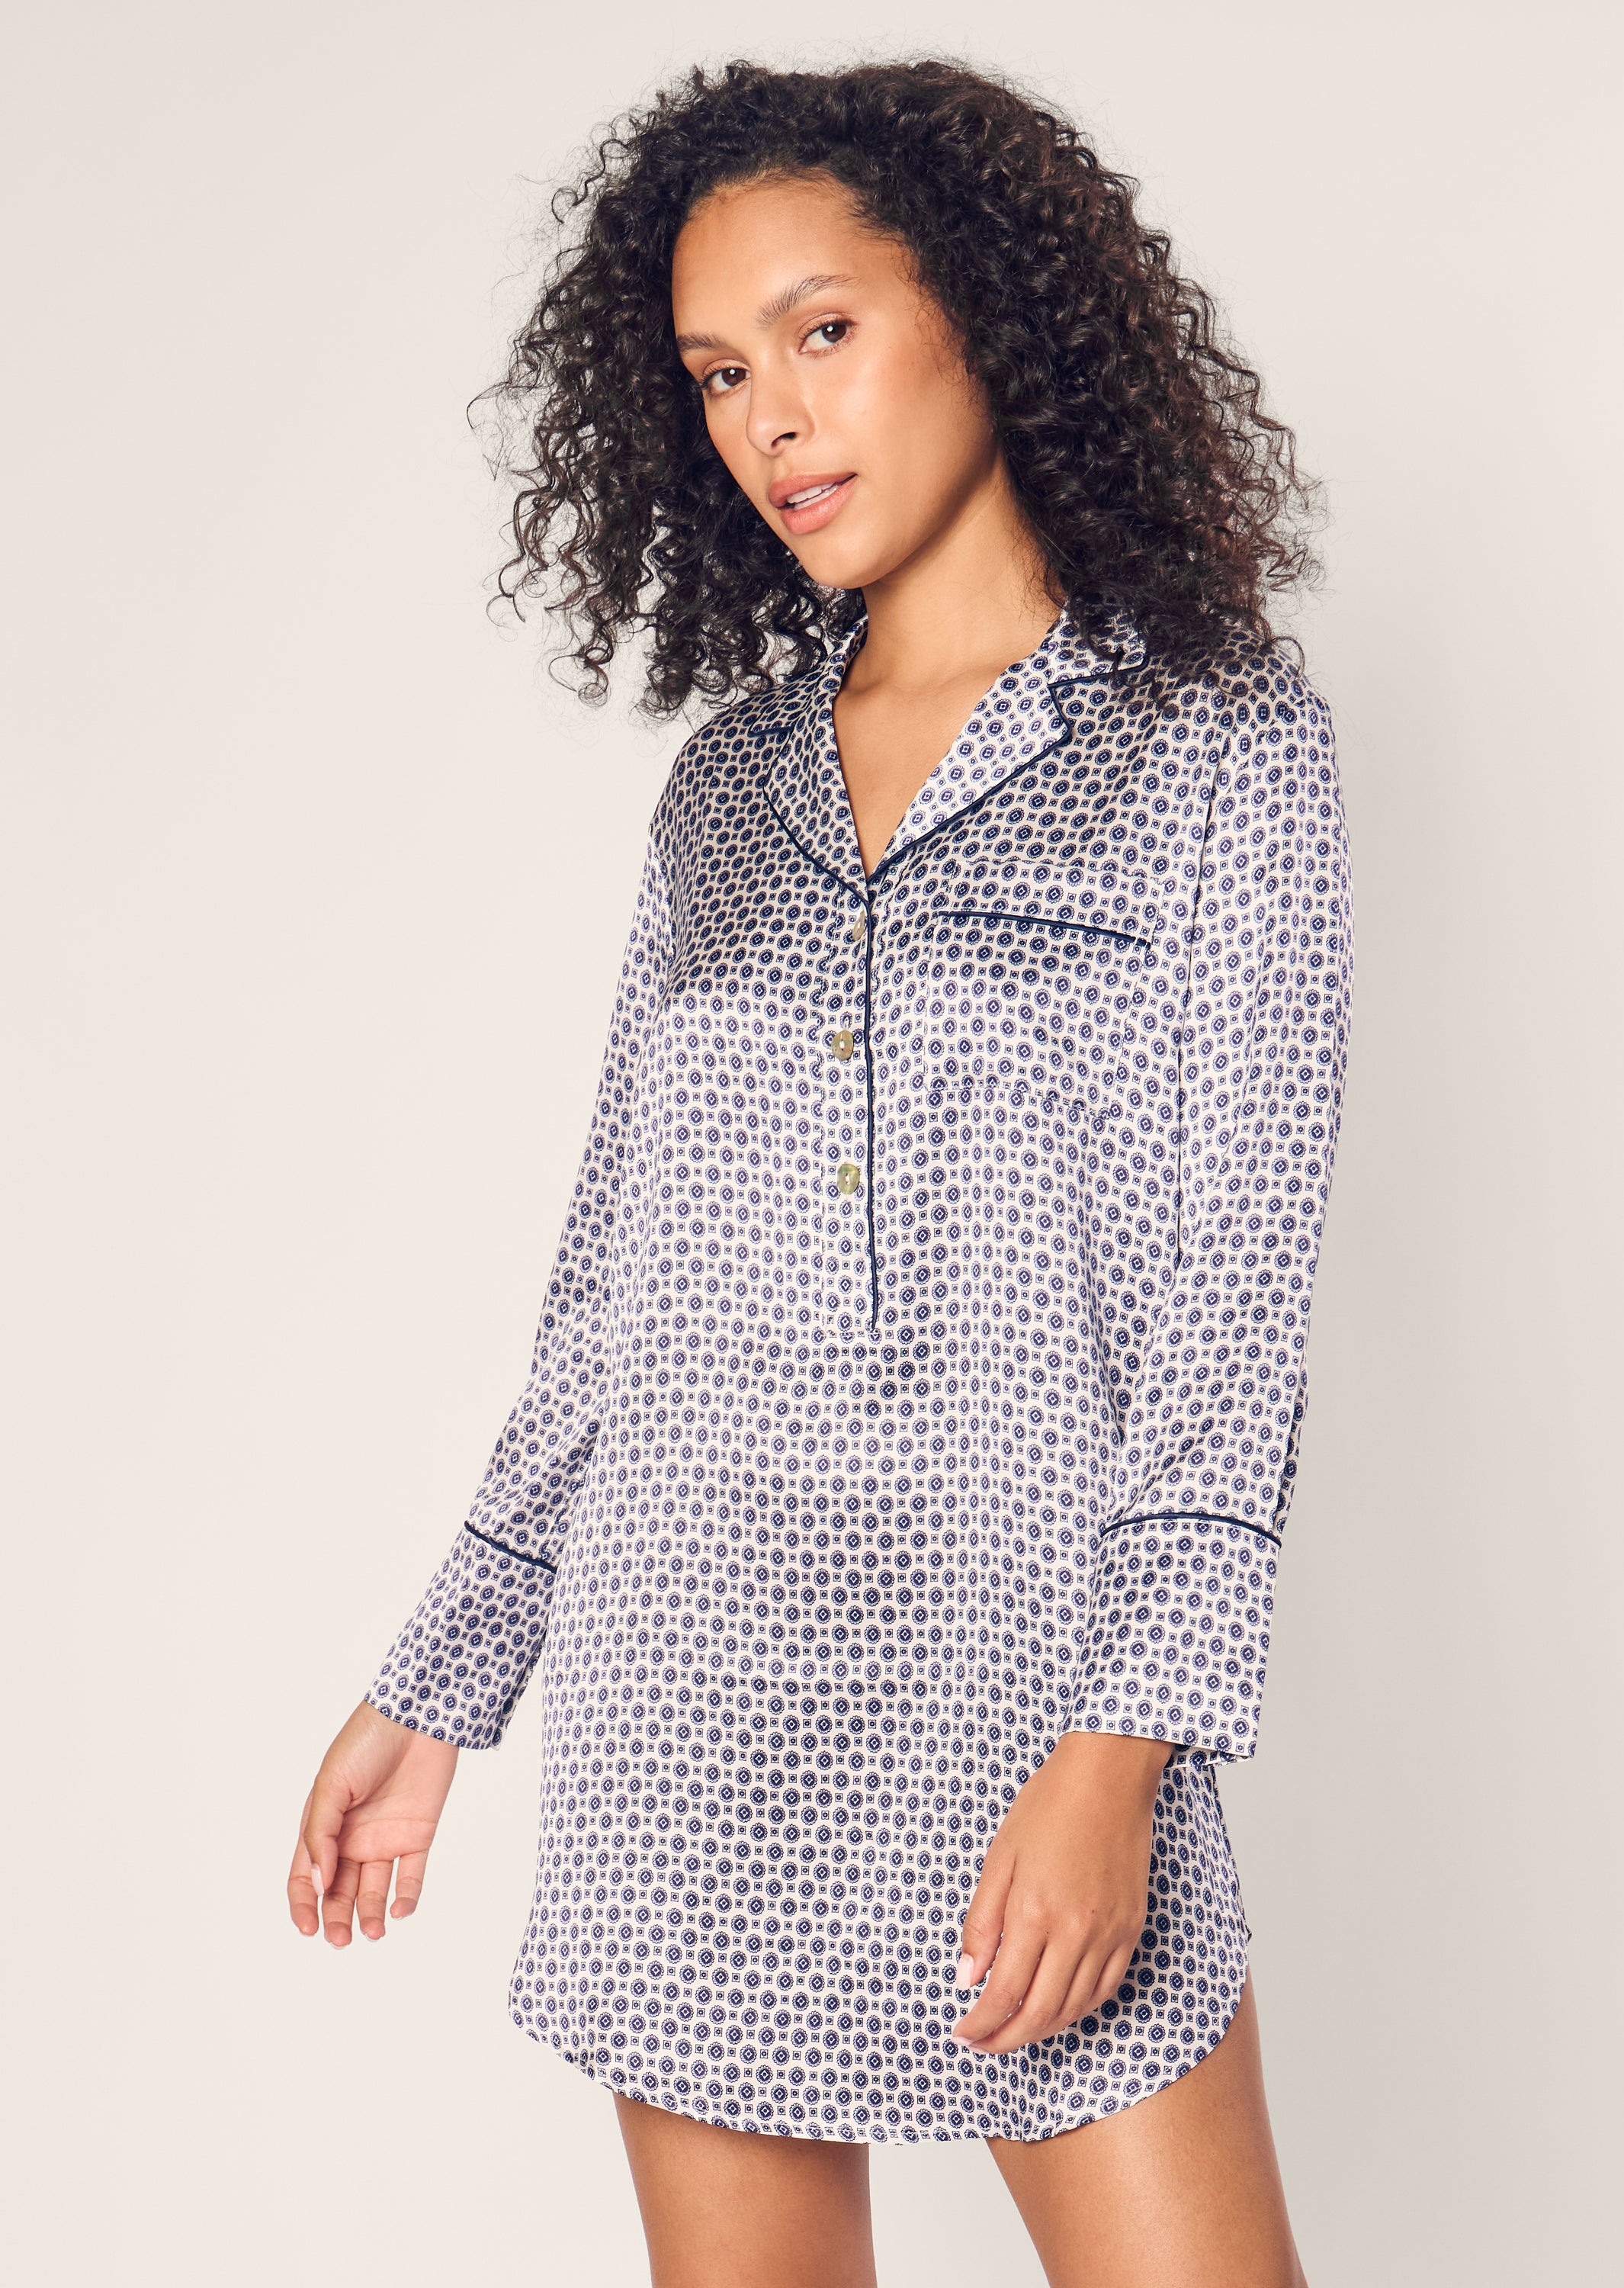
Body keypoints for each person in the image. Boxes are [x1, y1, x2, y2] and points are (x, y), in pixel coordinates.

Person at [287, 57, 1352, 2288]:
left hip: (1025, 1680)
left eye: (823, 330)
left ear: (984, 308)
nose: (771, 416)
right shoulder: (727, 798)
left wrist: (1117, 1757)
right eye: (714, 374)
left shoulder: (1223, 741)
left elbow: (1239, 1293)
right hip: (691, 1698)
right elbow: (612, 1289)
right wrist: (444, 1673)